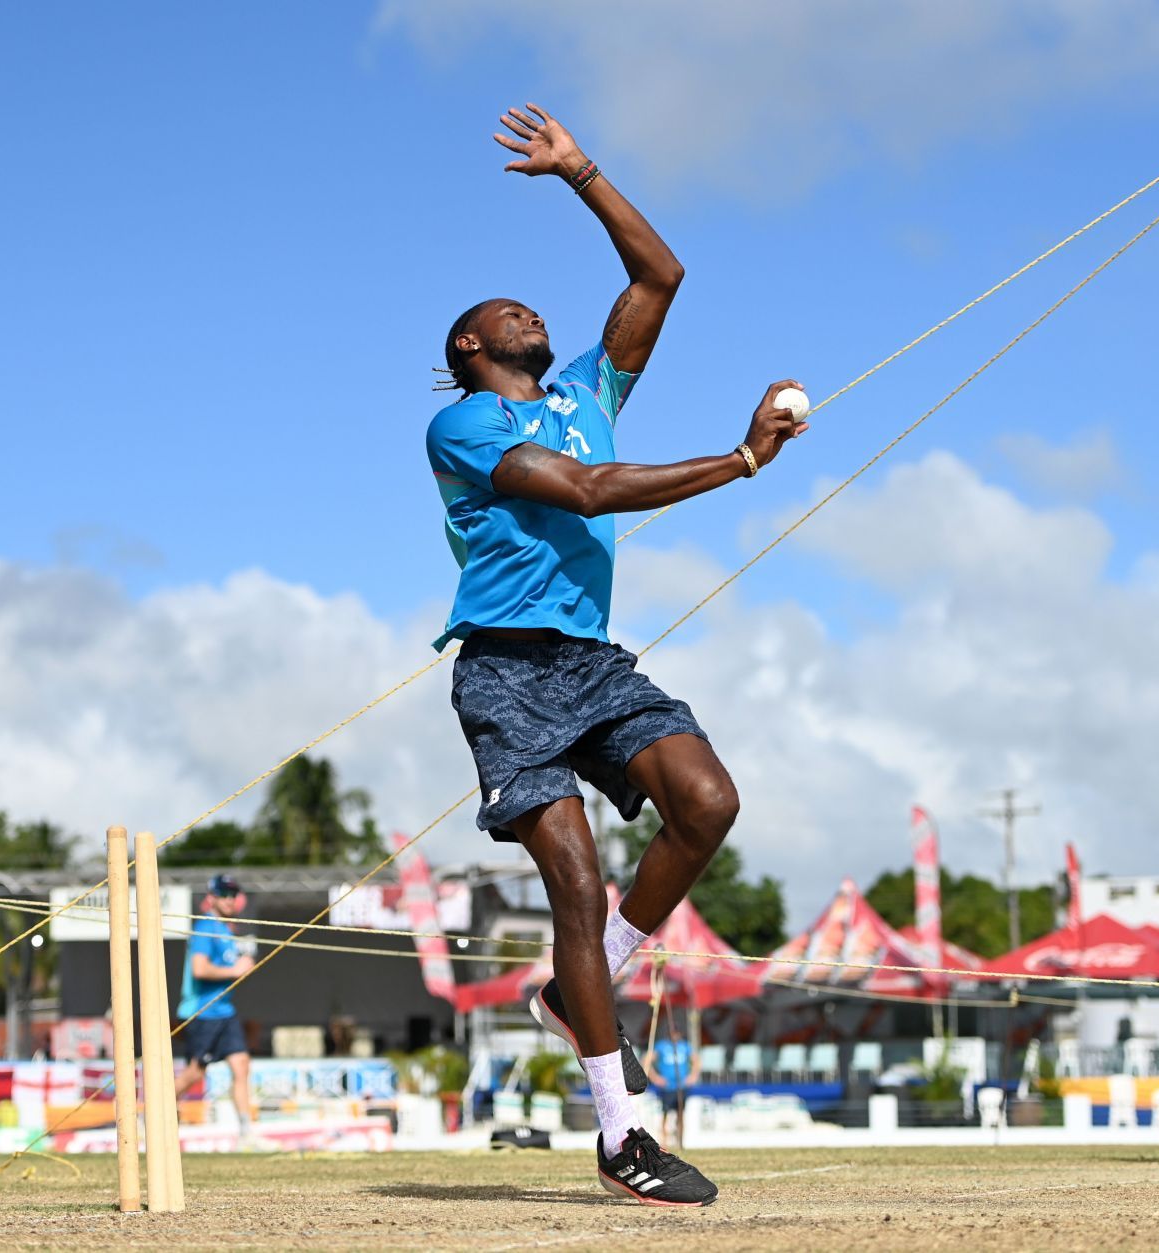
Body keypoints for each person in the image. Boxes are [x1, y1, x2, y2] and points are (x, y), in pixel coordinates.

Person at [426, 102, 807, 1208]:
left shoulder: (587, 393)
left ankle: (586, 990)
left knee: (708, 802)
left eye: (532, 305)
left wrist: (582, 171)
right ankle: (619, 1133)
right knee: (577, 887)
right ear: (470, 346)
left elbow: (660, 278)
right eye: (506, 311)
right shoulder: (465, 427)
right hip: (504, 672)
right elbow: (586, 490)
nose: (527, 311)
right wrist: (740, 460)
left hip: (591, 662)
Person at [173, 874, 257, 1134]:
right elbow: (199, 969)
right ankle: (153, 1110)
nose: (229, 900)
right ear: (211, 898)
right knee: (195, 1074)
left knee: (241, 1065)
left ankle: (246, 1131)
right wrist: (235, 971)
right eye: (224, 894)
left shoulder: (226, 930)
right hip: (202, 1012)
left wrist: (241, 968)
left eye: (233, 894)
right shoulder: (205, 927)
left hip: (225, 1011)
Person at [645, 1017, 699, 1148]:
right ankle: (663, 1142)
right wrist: (655, 1077)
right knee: (665, 1114)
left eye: (677, 1032)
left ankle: (680, 1142)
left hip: (681, 1086)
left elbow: (696, 1061)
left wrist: (693, 1076)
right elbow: (646, 1061)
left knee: (681, 1114)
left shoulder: (685, 1046)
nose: (675, 1035)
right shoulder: (661, 1046)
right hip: (667, 1087)